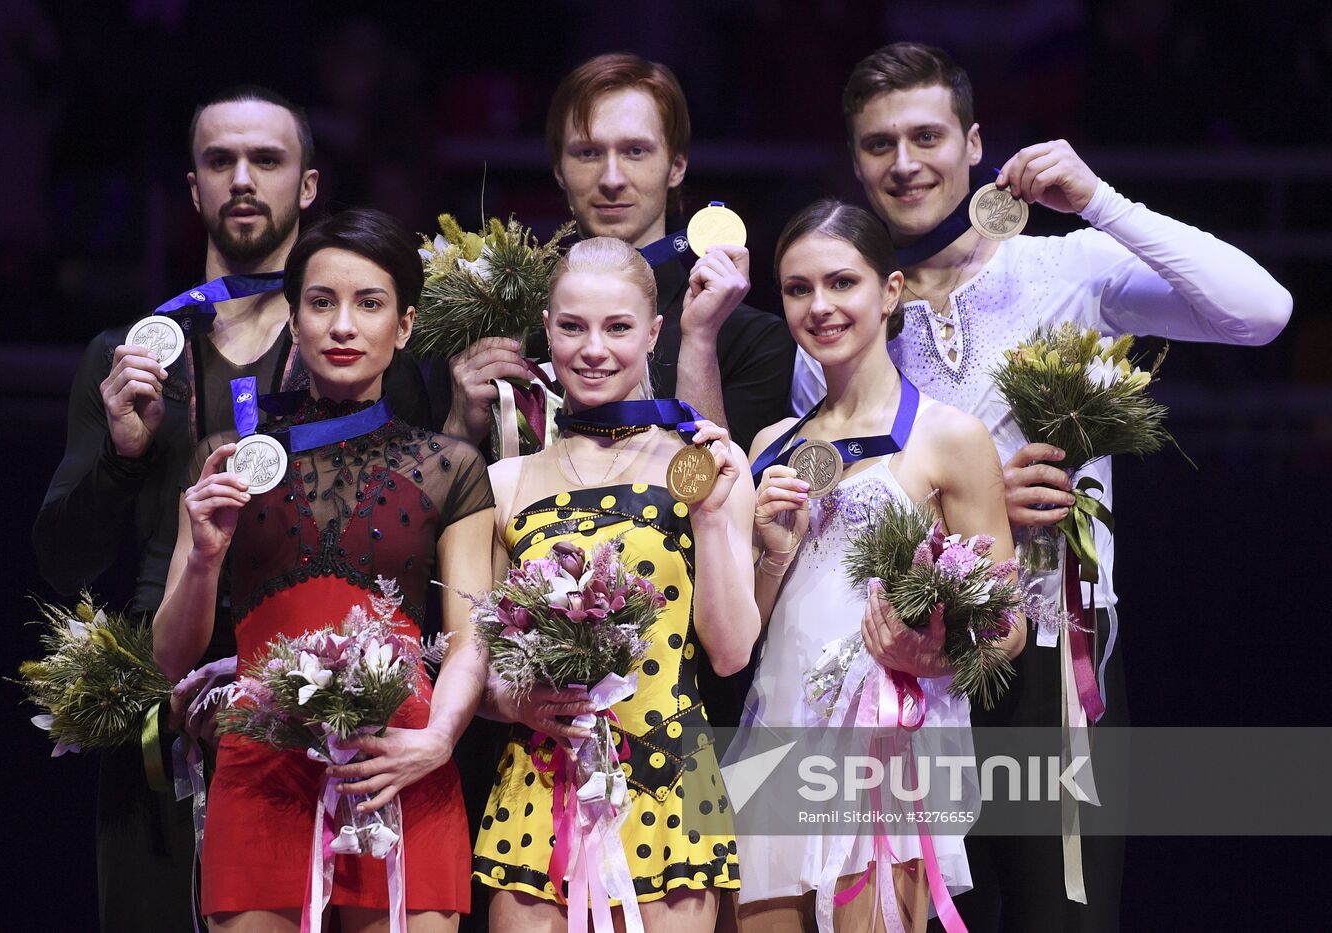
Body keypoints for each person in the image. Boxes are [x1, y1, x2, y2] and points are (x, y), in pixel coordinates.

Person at [790, 42, 1293, 932]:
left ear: (974, 141)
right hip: (908, 673)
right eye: (878, 145)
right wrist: (973, 508)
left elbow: (1260, 312)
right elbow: (832, 533)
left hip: (1058, 667)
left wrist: (1101, 201)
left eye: (926, 136)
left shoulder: (1066, 270)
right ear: (855, 160)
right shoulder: (839, 319)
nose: (905, 164)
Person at [153, 208, 492, 932]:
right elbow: (170, 655)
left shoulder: (452, 466)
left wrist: (437, 741)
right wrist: (206, 555)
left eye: (369, 304)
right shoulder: (228, 457)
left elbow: (469, 637)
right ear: (294, 318)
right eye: (321, 302)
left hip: (399, 766)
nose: (343, 325)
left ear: (403, 326)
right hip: (263, 772)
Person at [33, 84, 319, 933]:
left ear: (307, 186)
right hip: (160, 710)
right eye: (218, 160)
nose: (242, 178)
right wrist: (123, 454)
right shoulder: (126, 357)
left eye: (266, 160)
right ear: (191, 188)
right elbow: (61, 558)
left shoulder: (353, 356)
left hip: (314, 700)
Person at [737, 200, 1024, 933]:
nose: (820, 305)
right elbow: (743, 629)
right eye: (798, 289)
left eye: (842, 283)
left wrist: (933, 652)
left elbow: (1008, 625)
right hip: (776, 727)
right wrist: (770, 551)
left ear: (890, 291)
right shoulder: (771, 444)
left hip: (884, 743)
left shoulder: (950, 438)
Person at [471, 237, 760, 932]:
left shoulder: (707, 463)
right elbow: (475, 673)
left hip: (673, 781)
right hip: (541, 785)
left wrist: (716, 519)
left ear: (655, 333)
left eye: (618, 327)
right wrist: (519, 703)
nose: (593, 348)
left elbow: (729, 653)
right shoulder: (505, 482)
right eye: (572, 326)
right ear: (547, 329)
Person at [442, 53, 796, 453]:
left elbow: (730, 504)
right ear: (559, 169)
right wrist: (458, 428)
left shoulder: (753, 339)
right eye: (588, 153)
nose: (611, 179)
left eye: (635, 151)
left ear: (677, 165)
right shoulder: (507, 326)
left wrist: (700, 341)